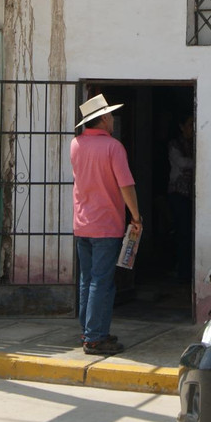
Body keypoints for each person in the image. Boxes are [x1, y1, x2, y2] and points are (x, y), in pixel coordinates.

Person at [70, 94, 142, 355]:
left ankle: (89, 331)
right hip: (105, 224)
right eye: (110, 115)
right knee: (102, 282)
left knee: (86, 280)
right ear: (102, 119)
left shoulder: (75, 145)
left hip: (82, 224)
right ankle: (95, 337)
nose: (113, 118)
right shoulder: (113, 147)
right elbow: (126, 185)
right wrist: (136, 216)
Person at [167, 114, 195, 283]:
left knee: (189, 233)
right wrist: (198, 159)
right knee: (182, 232)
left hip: (192, 195)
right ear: (181, 126)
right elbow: (182, 163)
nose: (193, 127)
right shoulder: (174, 144)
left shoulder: (194, 143)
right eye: (190, 123)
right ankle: (182, 271)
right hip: (179, 194)